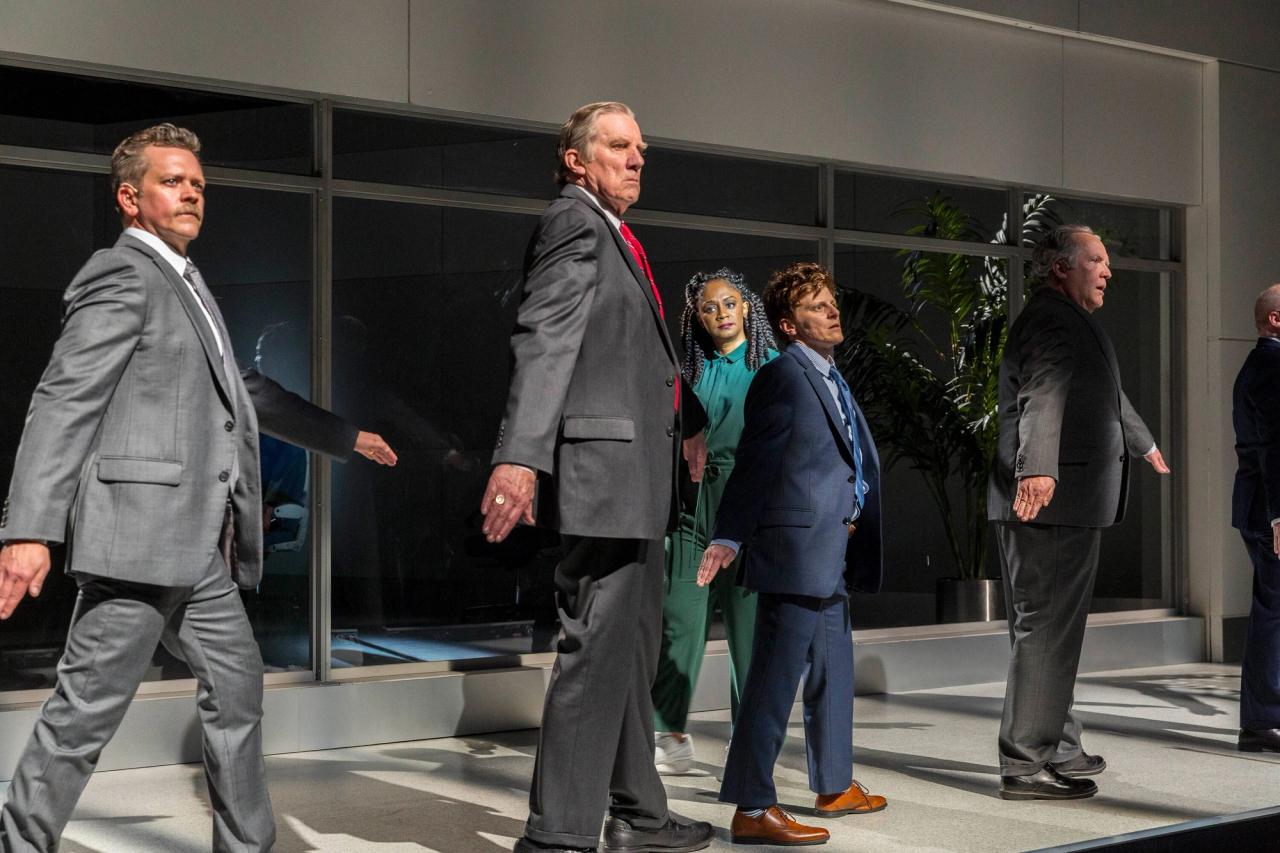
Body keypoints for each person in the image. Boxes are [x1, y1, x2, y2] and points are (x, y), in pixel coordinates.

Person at [0, 123, 395, 853]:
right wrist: (29, 528)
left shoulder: (185, 279)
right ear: (129, 197)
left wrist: (341, 436)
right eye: (173, 181)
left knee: (238, 694)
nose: (192, 194)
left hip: (201, 549)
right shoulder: (119, 274)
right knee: (83, 714)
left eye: (199, 184)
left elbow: (244, 390)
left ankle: (246, 846)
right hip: (137, 544)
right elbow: (62, 400)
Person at [479, 102, 712, 853]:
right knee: (594, 654)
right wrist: (519, 457)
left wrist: (693, 418)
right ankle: (557, 835)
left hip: (637, 480)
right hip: (603, 479)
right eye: (619, 146)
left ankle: (639, 814)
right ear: (577, 159)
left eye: (642, 147)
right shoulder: (573, 223)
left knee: (630, 653)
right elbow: (545, 339)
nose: (637, 158)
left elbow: (633, 356)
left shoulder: (613, 233)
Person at [698, 261, 886, 847]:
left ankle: (833, 784)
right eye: (816, 306)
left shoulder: (832, 375)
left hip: (830, 549)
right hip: (796, 550)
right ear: (788, 324)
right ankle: (752, 807)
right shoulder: (783, 375)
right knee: (774, 682)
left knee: (832, 673)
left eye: (832, 301)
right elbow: (757, 461)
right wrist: (730, 534)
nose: (833, 311)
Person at [988, 223, 1169, 800]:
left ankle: (1058, 742)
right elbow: (1043, 389)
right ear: (1061, 267)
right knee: (1045, 633)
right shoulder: (1051, 319)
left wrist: (1140, 441)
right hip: (1052, 503)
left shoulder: (1068, 318)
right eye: (1097, 259)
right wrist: (1039, 467)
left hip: (1059, 502)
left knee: (1047, 630)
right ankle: (1026, 764)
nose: (1108, 271)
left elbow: (1105, 391)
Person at [651, 269, 777, 774]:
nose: (721, 313)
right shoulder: (687, 373)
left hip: (748, 506)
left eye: (729, 303)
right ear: (697, 318)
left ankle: (747, 739)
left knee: (749, 633)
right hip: (691, 506)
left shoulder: (773, 367)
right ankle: (669, 734)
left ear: (746, 307)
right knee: (680, 619)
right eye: (709, 307)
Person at [1230, 283, 1280, 753]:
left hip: (1261, 507)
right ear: (1276, 321)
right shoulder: (1271, 364)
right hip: (1271, 511)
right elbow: (1273, 445)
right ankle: (1263, 722)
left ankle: (1263, 718)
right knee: (1273, 612)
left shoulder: (1262, 364)